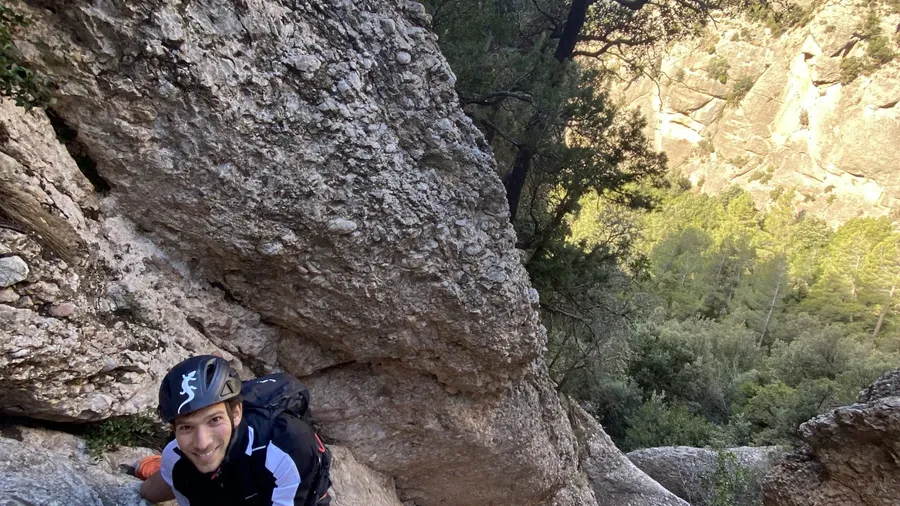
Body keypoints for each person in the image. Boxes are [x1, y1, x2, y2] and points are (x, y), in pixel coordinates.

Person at [137, 355, 331, 506]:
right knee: (147, 492)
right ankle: (161, 470)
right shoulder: (176, 456)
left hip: (281, 485)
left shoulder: (287, 446)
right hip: (219, 475)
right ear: (174, 428)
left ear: (236, 413)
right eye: (186, 426)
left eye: (214, 420)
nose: (202, 442)